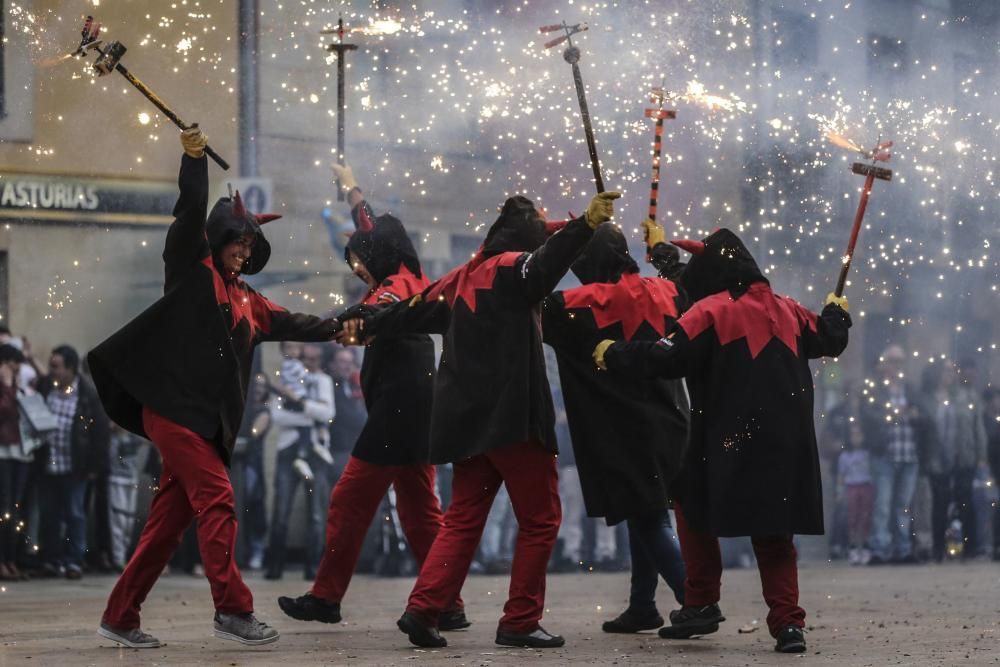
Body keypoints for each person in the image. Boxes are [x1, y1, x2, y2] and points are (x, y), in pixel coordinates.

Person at [87, 127, 341, 649]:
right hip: (174, 412)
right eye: (239, 241)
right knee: (219, 499)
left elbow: (301, 324)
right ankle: (232, 609)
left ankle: (120, 615)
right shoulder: (192, 270)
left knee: (165, 527)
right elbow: (188, 215)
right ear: (222, 238)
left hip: (205, 425)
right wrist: (194, 160)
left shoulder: (250, 299)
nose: (244, 251)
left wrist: (356, 326)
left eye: (250, 245)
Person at [342, 190, 621, 649]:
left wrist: (362, 321)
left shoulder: (462, 276)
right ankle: (520, 620)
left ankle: (423, 608)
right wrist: (586, 225)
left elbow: (407, 311)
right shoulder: (516, 267)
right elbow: (546, 263)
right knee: (541, 518)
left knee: (462, 520)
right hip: (512, 417)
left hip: (467, 423)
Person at [594, 227, 850, 653]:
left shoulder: (711, 311)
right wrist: (836, 312)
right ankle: (788, 624)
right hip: (786, 444)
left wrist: (614, 353)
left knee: (691, 505)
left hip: (728, 440)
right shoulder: (789, 310)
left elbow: (665, 356)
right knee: (774, 534)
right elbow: (832, 339)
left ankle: (700, 603)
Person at [279, 165, 467, 630]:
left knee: (349, 500)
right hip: (414, 408)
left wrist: (343, 320)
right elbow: (374, 231)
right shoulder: (406, 271)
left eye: (358, 261)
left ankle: (326, 597)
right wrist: (351, 191)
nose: (357, 269)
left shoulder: (395, 286)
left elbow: (375, 308)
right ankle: (447, 603)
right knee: (421, 512)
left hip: (399, 409)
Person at [541, 220, 689, 633]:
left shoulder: (570, 304)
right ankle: (642, 605)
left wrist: (551, 239)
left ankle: (694, 600)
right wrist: (662, 253)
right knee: (647, 511)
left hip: (624, 429)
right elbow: (686, 283)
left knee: (647, 518)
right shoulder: (667, 291)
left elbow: (530, 292)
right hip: (672, 420)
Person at [36, 345, 111, 580]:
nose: (52, 371)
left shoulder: (87, 394)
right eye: (51, 366)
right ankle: (51, 559)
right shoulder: (45, 387)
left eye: (56, 367)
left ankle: (74, 561)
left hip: (76, 466)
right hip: (48, 464)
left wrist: (94, 466)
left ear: (70, 369)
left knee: (75, 514)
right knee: (49, 515)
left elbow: (100, 433)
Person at [266, 343, 335, 581]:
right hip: (288, 448)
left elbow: (328, 414)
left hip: (315, 451)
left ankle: (313, 567)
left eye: (314, 360)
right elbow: (277, 415)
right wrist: (310, 413)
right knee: (281, 509)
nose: (309, 364)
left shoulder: (324, 381)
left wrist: (300, 404)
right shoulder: (286, 377)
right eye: (307, 359)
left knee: (316, 512)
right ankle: (274, 566)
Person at [865, 345, 928, 564]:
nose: (896, 366)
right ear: (885, 364)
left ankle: (902, 549)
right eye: (892, 361)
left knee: (903, 505)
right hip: (885, 454)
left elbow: (924, 417)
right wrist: (888, 415)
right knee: (882, 504)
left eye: (900, 361)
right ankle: (880, 549)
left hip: (909, 454)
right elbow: (867, 417)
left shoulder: (910, 389)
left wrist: (912, 415)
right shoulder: (875, 390)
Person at [0, 344, 30, 581]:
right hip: (4, 454)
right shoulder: (5, 387)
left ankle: (11, 560)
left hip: (21, 454)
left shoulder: (18, 386)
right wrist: (7, 386)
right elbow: (5, 411)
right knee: (5, 508)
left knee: (16, 509)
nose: (15, 369)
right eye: (12, 365)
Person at [837, 422, 873, 565]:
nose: (856, 438)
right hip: (851, 486)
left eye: (859, 435)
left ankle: (864, 547)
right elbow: (841, 474)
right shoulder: (845, 456)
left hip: (866, 485)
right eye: (853, 435)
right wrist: (839, 492)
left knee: (865, 517)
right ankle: (852, 548)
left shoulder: (868, 453)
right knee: (852, 517)